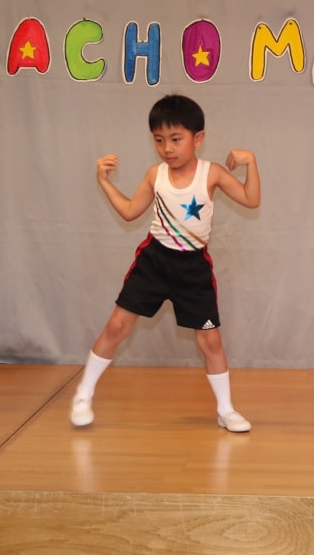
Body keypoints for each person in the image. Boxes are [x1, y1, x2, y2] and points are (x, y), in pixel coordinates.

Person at [71, 94, 261, 431]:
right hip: (154, 262)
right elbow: (130, 211)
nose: (167, 148)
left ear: (198, 138)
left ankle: (226, 410)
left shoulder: (212, 173)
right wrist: (103, 181)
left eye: (175, 139)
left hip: (193, 269)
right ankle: (83, 396)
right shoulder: (154, 175)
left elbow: (251, 199)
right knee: (116, 327)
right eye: (159, 140)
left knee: (211, 342)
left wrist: (252, 163)